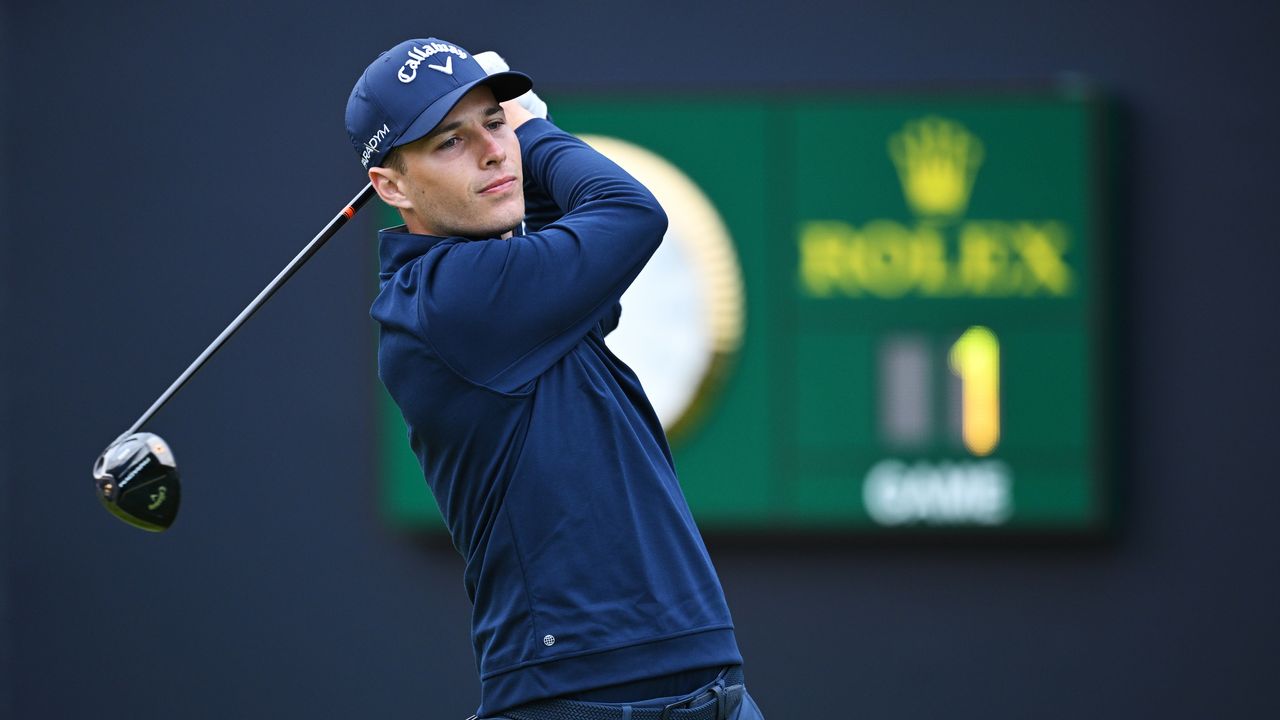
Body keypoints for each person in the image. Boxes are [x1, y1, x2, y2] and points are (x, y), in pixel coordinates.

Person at [346, 37, 765, 720]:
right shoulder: (445, 301)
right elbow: (629, 212)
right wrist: (534, 128)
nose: (492, 150)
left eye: (492, 122)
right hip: (589, 699)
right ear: (391, 186)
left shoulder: (496, 295)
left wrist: (514, 142)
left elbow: (580, 272)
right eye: (450, 142)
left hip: (704, 687)